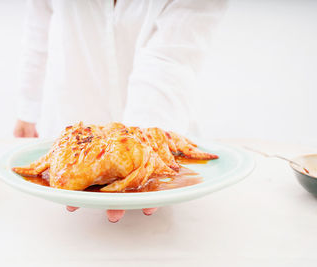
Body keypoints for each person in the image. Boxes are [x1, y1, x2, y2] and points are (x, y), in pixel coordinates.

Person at [14, 0, 227, 222]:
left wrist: (141, 159)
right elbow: (37, 27)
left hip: (161, 129)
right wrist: (27, 107)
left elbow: (170, 59)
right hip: (67, 129)